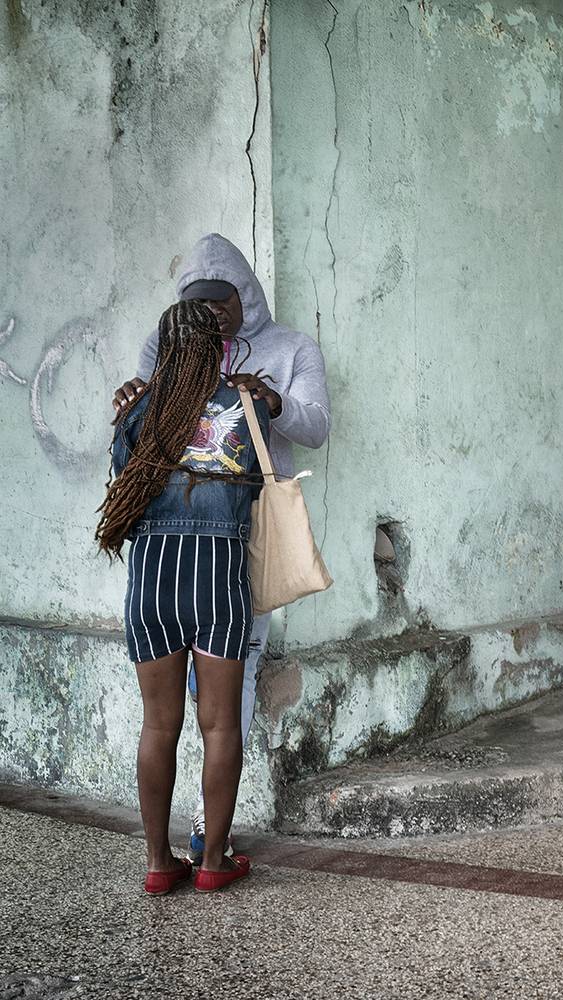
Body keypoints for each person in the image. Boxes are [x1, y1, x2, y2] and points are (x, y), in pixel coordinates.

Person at [112, 234, 331, 861]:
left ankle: (176, 852)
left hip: (209, 552)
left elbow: (316, 425)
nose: (213, 314)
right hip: (219, 559)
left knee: (177, 715)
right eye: (200, 304)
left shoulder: (290, 349)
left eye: (224, 301)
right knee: (219, 716)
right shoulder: (173, 357)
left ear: (247, 297)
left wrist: (273, 402)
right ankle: (211, 860)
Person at [99, 300, 272, 893]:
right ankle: (213, 862)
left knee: (158, 726)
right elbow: (256, 484)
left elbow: (122, 481)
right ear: (217, 349)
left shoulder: (138, 409)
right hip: (218, 576)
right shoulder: (244, 404)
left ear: (163, 349)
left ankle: (158, 862)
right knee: (220, 727)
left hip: (153, 578)